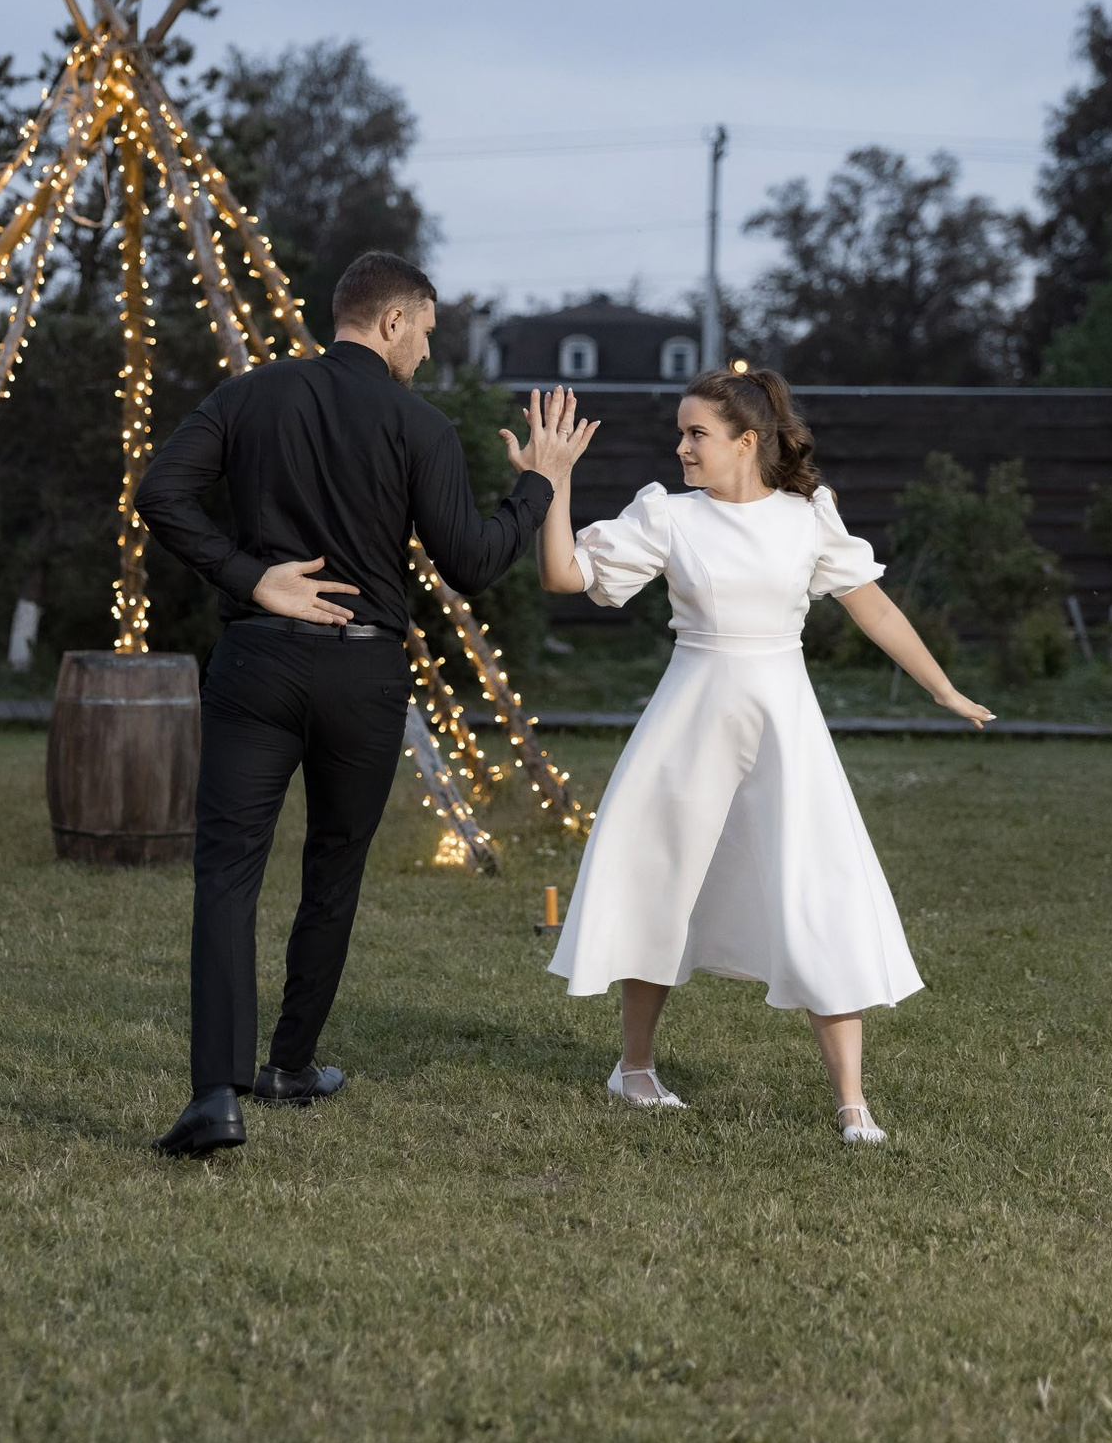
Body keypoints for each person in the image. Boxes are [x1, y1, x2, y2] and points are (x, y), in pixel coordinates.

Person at [135, 252, 594, 1158]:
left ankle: (215, 1098)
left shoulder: (249, 395)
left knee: (226, 875)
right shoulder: (415, 424)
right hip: (365, 678)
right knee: (332, 873)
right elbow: (469, 561)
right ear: (391, 321)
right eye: (425, 328)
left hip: (257, 664)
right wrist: (537, 484)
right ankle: (291, 1065)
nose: (427, 348)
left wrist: (248, 576)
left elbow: (160, 493)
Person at [535, 369, 991, 1142]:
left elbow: (872, 603)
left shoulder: (808, 518)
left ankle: (852, 1102)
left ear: (746, 442)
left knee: (816, 888)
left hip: (784, 725)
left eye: (695, 434)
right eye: (679, 433)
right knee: (659, 881)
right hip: (688, 724)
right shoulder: (668, 518)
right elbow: (563, 575)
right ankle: (634, 1068)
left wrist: (942, 687)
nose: (680, 446)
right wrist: (555, 482)